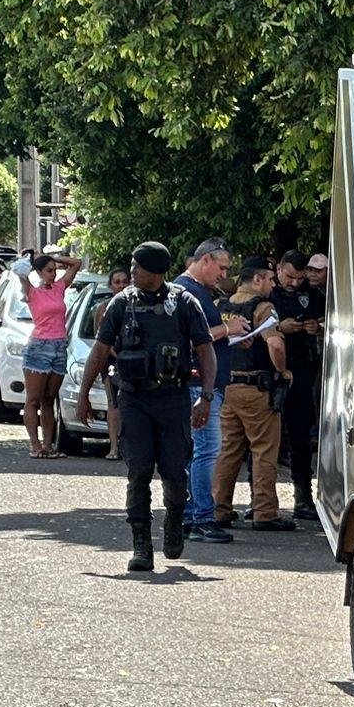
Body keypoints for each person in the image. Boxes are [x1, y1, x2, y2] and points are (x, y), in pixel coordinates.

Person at [77, 241, 215, 573]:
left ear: (154, 272)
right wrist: (83, 393)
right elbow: (100, 350)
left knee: (174, 472)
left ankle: (175, 518)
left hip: (172, 399)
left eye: (136, 267)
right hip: (134, 399)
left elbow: (205, 350)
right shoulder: (121, 304)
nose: (132, 272)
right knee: (138, 471)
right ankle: (142, 543)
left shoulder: (184, 303)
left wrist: (206, 396)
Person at [175, 238, 250, 544]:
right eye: (221, 267)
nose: (224, 275)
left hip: (204, 385)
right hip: (199, 386)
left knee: (200, 452)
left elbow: (206, 338)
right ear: (205, 260)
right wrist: (228, 330)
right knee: (206, 451)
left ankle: (192, 514)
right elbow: (191, 338)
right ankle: (202, 518)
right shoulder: (186, 292)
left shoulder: (197, 292)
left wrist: (232, 338)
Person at [212, 257, 293, 531]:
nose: (273, 284)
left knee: (228, 450)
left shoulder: (220, 305)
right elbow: (276, 345)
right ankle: (265, 512)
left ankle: (219, 509)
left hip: (227, 388)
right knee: (264, 451)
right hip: (256, 388)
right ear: (257, 279)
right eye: (270, 279)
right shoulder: (263, 308)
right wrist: (283, 371)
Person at [271, 249, 324, 520]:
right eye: (290, 276)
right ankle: (262, 502)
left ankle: (303, 497)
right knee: (265, 439)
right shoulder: (268, 294)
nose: (294, 283)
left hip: (302, 370)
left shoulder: (312, 294)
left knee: (301, 437)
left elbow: (329, 319)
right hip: (272, 371)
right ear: (279, 269)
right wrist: (281, 327)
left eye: (300, 278)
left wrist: (317, 327)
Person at [18, 252, 85, 458]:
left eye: (54, 270)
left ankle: (48, 445)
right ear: (38, 272)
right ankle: (35, 445)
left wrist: (54, 258)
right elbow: (20, 272)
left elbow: (76, 264)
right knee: (33, 399)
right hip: (39, 346)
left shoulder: (59, 288)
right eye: (48, 271)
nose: (53, 274)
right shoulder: (32, 291)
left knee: (49, 399)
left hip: (59, 345)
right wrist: (31, 262)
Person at [95, 267, 129, 460]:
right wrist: (115, 354)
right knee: (113, 403)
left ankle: (129, 447)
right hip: (112, 361)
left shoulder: (136, 304)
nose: (121, 285)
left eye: (125, 281)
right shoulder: (104, 307)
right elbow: (100, 340)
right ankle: (114, 447)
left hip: (133, 359)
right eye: (117, 282)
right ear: (110, 285)